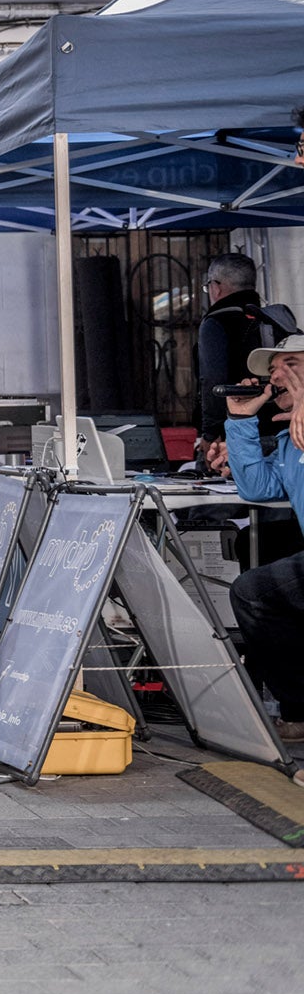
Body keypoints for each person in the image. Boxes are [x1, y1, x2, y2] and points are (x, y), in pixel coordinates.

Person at [220, 334, 304, 748]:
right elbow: (256, 486)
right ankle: (298, 712)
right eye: (273, 370)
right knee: (254, 587)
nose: (277, 376)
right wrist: (239, 422)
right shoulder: (290, 438)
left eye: (290, 364)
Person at [198, 253, 293, 476]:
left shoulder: (217, 322)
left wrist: (210, 432)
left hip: (235, 435)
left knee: (211, 502)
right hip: (283, 432)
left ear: (216, 287)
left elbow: (212, 381)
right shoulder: (278, 320)